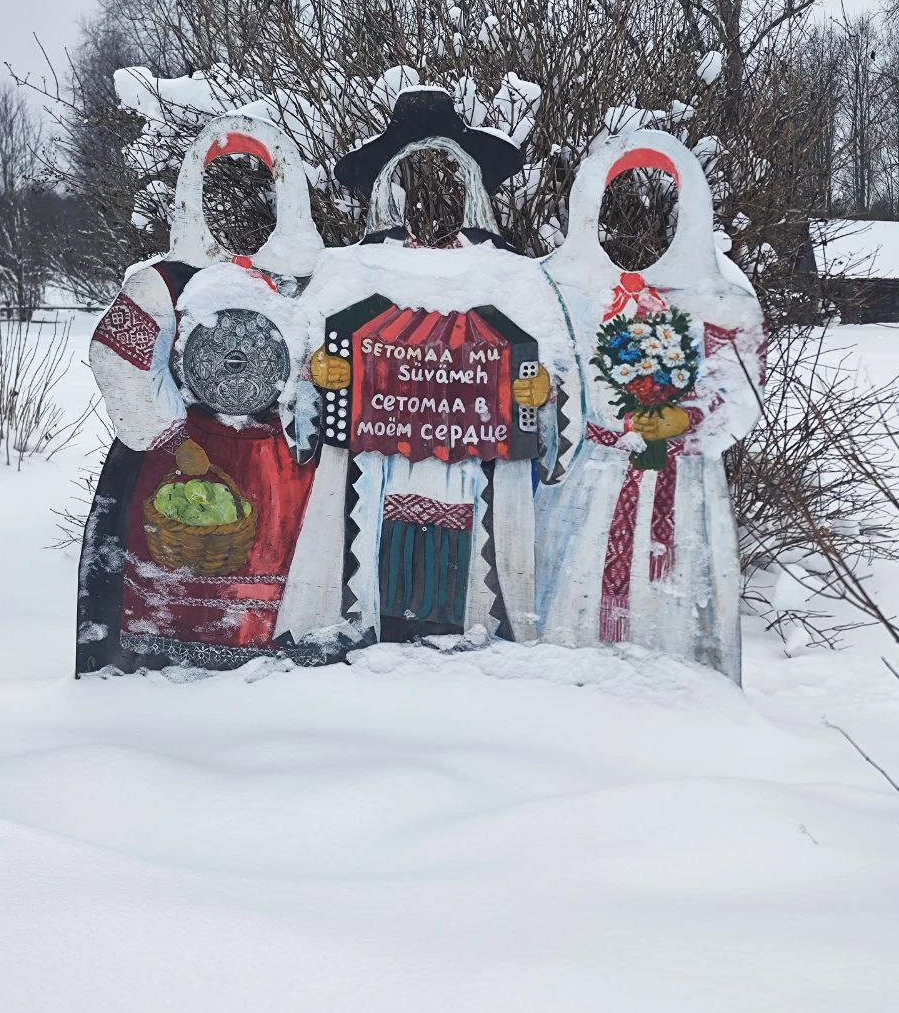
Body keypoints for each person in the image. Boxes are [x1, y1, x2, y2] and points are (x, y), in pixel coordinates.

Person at [275, 88, 578, 649]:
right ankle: (363, 628)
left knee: (477, 578)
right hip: (369, 470)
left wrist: (541, 393)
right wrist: (317, 378)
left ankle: (473, 631)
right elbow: (296, 379)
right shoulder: (350, 269)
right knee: (362, 557)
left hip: (477, 473)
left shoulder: (510, 276)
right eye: (409, 170)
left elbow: (556, 369)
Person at [76, 111, 324, 674]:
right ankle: (158, 664)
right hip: (183, 461)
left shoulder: (310, 285)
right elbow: (116, 355)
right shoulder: (166, 281)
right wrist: (165, 437)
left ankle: (264, 670)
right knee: (170, 566)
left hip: (281, 464)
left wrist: (310, 406)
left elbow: (324, 365)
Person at [535, 130, 765, 683]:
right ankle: (570, 676)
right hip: (588, 476)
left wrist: (687, 419)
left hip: (683, 482)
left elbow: (739, 391)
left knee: (675, 587)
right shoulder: (559, 287)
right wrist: (542, 396)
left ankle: (676, 682)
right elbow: (549, 371)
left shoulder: (720, 294)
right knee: (577, 571)